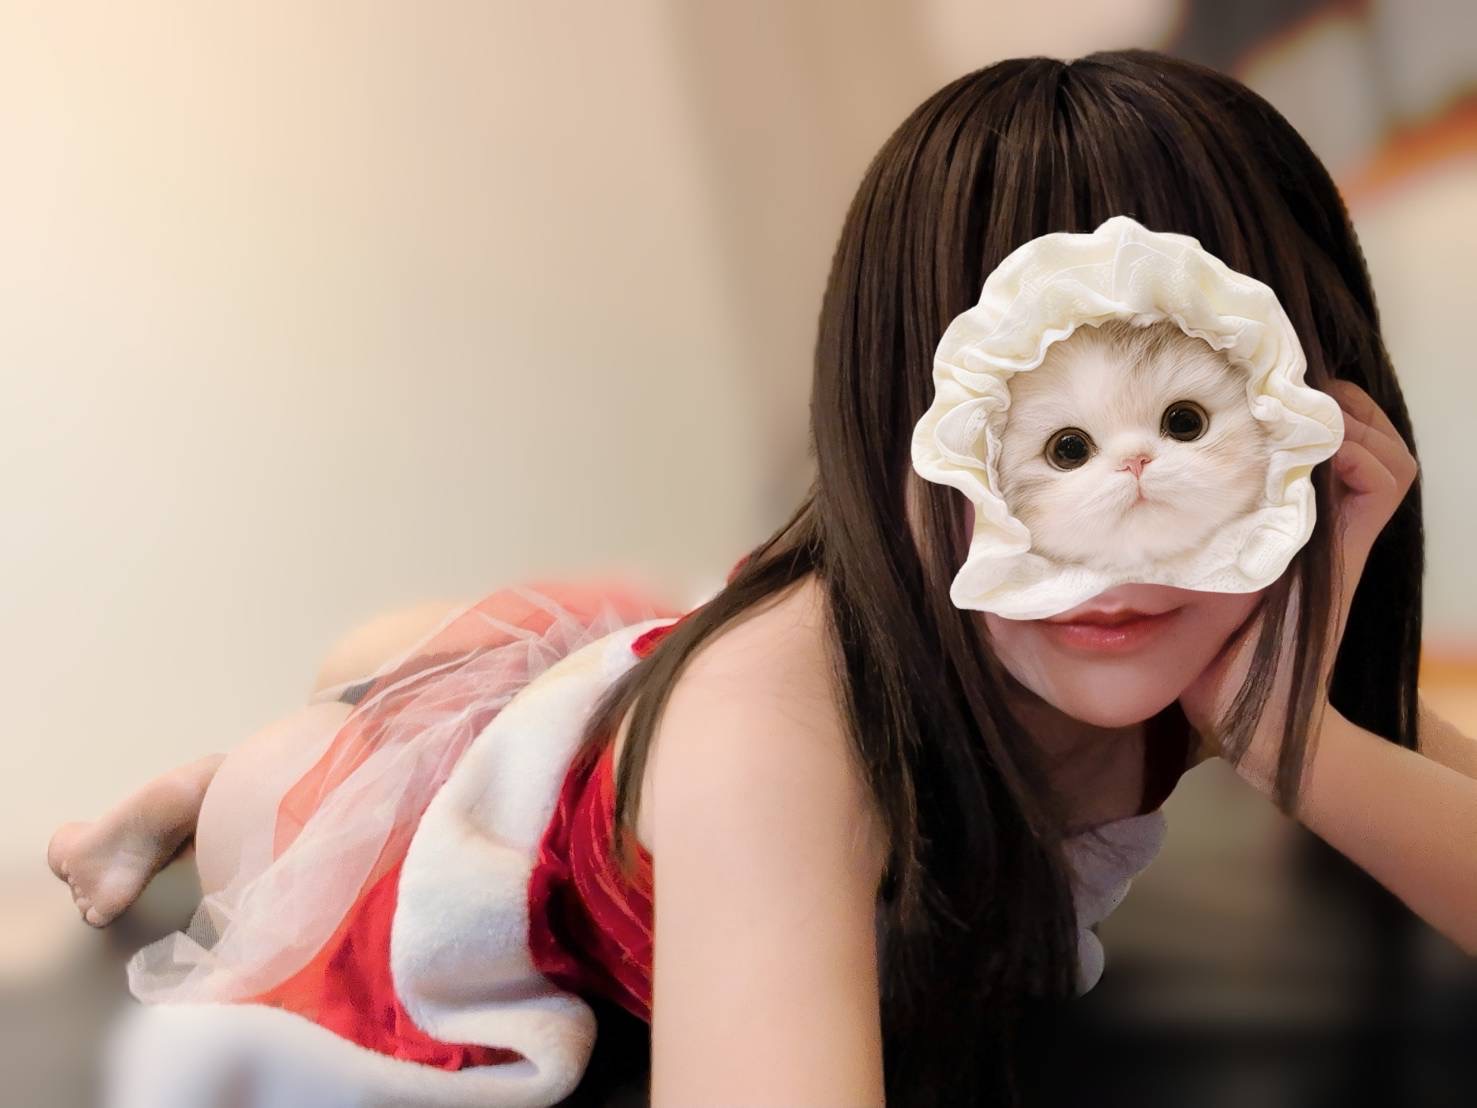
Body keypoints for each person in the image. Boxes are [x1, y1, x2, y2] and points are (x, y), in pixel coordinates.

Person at [47, 48, 1474, 1108]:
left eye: (1190, 427)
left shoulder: (1233, 627)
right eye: (1043, 447)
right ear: (895, 440)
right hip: (508, 811)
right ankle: (201, 783)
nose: (1118, 525)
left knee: (579, 639)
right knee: (320, 766)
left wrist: (1306, 743)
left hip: (675, 664)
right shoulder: (778, 729)